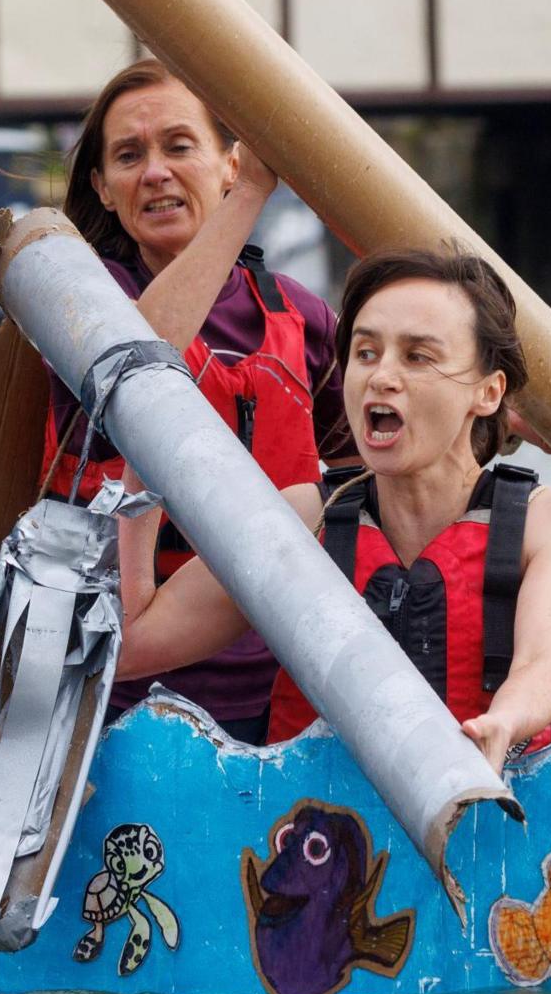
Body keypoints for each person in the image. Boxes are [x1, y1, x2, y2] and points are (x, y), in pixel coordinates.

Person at [110, 248, 551, 771]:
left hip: (494, 822)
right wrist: (141, 471)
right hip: (311, 836)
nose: (381, 376)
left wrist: (503, 721)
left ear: (488, 392)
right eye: (366, 353)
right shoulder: (299, 520)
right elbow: (132, 646)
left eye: (417, 357)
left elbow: (542, 665)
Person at [42, 60, 354, 743]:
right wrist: (250, 198)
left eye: (178, 146)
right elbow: (137, 365)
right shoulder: (72, 300)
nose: (155, 171)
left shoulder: (300, 316)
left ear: (227, 162)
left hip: (277, 687)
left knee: (308, 501)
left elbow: (370, 461)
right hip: (114, 685)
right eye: (129, 156)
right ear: (102, 186)